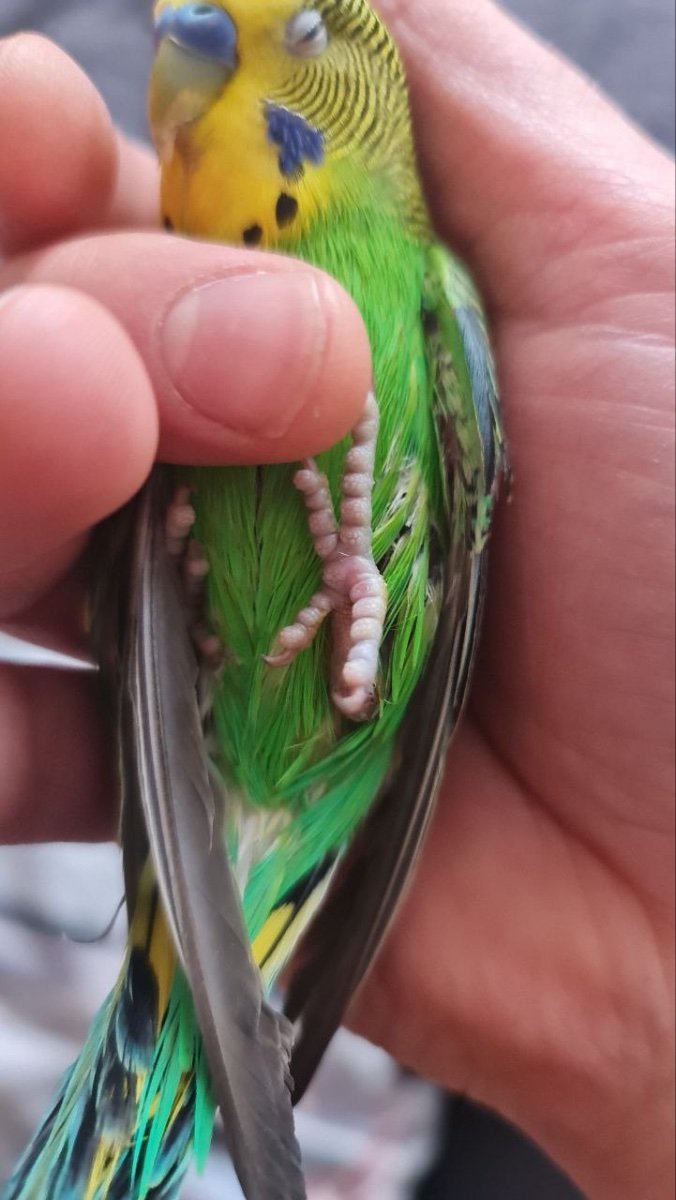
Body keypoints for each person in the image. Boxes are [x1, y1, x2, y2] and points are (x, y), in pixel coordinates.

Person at [0, 2, 673, 1198]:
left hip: (329, 793)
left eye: (301, 32)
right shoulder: (163, 229)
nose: (199, 51)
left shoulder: (431, 291)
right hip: (200, 752)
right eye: (189, 31)